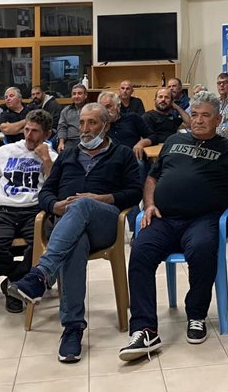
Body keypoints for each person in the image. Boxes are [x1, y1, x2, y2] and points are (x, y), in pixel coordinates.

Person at [118, 91, 228, 360]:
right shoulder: (173, 141)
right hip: (164, 219)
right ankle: (144, 329)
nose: (198, 120)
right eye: (195, 115)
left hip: (203, 219)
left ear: (218, 120)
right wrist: (149, 204)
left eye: (205, 116)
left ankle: (197, 314)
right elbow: (152, 178)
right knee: (140, 251)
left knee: (202, 250)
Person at [8, 103, 142, 363]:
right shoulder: (68, 154)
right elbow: (46, 192)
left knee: (82, 204)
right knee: (75, 242)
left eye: (92, 123)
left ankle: (41, 274)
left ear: (106, 126)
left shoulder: (122, 154)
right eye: (81, 122)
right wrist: (55, 205)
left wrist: (102, 198)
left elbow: (134, 192)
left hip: (105, 223)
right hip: (68, 226)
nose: (84, 128)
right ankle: (72, 328)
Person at [0, 108, 56, 313]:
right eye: (26, 130)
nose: (29, 135)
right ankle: (17, 281)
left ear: (47, 134)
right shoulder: (6, 151)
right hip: (3, 212)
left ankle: (13, 288)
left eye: (35, 131)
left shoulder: (51, 156)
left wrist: (46, 159)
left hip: (35, 212)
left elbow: (56, 186)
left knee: (46, 249)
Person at [56, 83, 87, 151]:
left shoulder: (91, 110)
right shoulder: (65, 111)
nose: (76, 96)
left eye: (79, 93)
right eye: (74, 94)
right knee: (66, 154)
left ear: (85, 95)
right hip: (70, 141)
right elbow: (62, 127)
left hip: (87, 139)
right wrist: (61, 143)